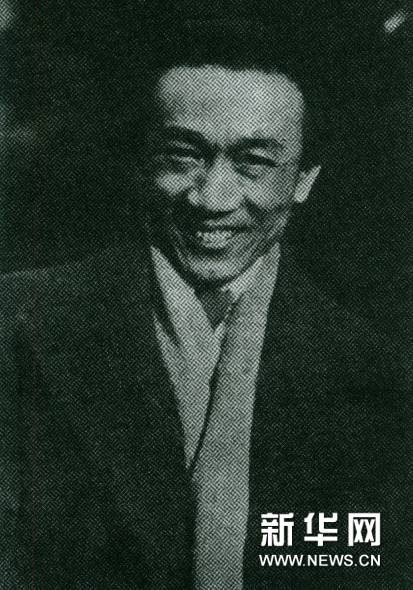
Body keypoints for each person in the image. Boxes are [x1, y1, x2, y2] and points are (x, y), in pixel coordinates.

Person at [0, 19, 409, 590]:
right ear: (142, 164)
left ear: (304, 179)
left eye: (253, 163)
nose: (213, 199)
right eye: (183, 157)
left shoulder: (374, 376)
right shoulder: (21, 323)